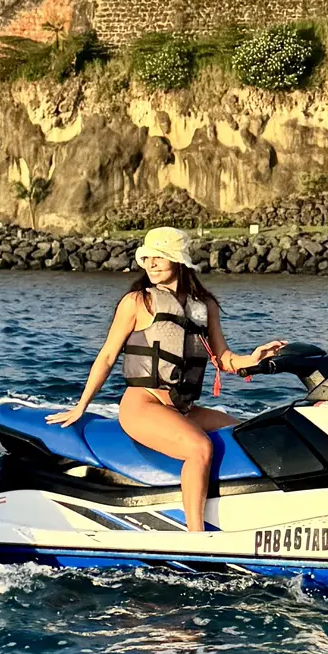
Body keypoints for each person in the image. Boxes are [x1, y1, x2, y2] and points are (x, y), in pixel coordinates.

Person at [47, 226, 285, 533]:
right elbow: (107, 356)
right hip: (143, 405)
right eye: (147, 258)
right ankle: (196, 538)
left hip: (184, 409)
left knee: (244, 433)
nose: (152, 264)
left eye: (160, 257)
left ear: (179, 261)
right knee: (199, 448)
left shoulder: (203, 306)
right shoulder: (137, 302)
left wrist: (254, 359)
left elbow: (223, 358)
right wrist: (81, 406)